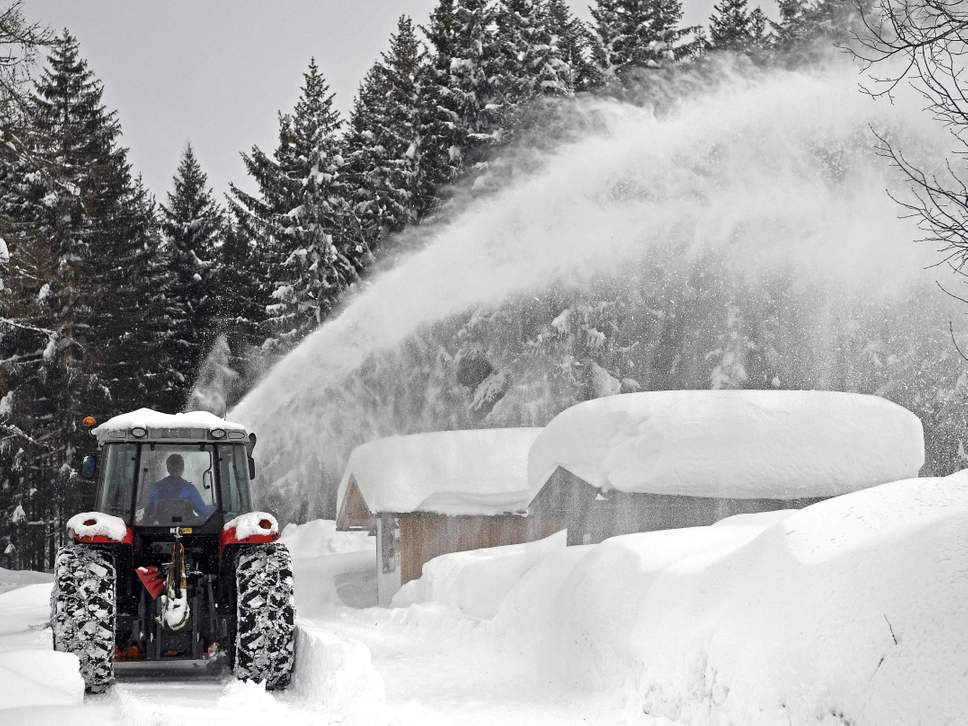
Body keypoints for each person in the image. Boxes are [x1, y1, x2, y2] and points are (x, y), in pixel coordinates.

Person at [144, 454, 212, 519]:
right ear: (182, 468)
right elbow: (203, 512)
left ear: (168, 468)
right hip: (187, 529)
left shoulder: (156, 488)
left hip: (159, 529)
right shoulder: (189, 489)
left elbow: (147, 512)